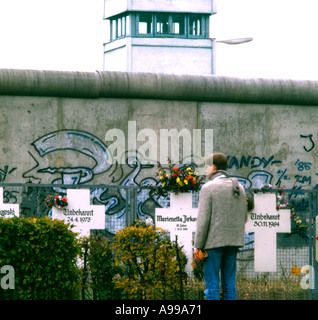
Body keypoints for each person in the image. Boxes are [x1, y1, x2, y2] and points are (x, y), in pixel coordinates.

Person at [194, 153, 247, 300]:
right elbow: (244, 217)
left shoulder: (208, 188)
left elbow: (203, 220)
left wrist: (198, 245)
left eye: (207, 166)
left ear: (213, 167)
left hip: (213, 243)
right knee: (229, 285)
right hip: (233, 242)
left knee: (212, 286)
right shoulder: (239, 187)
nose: (205, 170)